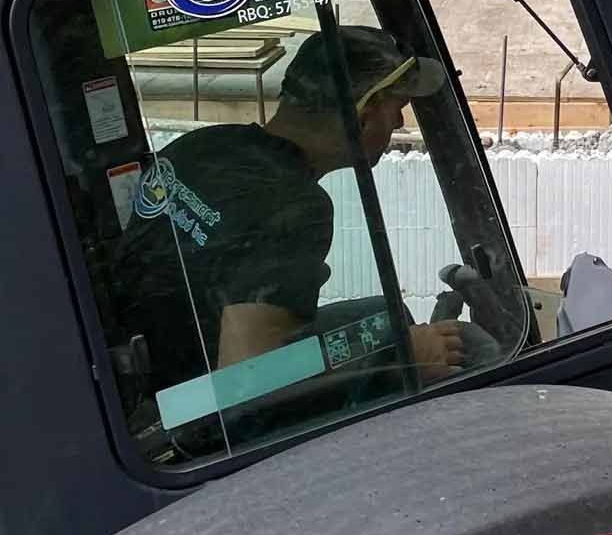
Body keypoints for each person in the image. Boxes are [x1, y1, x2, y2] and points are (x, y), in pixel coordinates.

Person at [116, 24, 466, 394]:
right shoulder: (296, 208)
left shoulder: (203, 144)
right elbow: (248, 382)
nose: (399, 123)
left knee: (384, 314)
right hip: (190, 409)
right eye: (398, 108)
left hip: (138, 372)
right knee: (392, 332)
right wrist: (402, 357)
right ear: (360, 114)